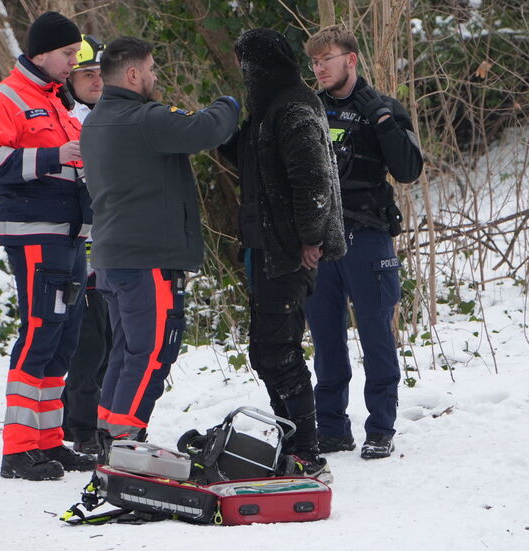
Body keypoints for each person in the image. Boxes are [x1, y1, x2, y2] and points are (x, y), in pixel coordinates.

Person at [80, 37, 239, 450]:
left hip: (113, 260)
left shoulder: (95, 121)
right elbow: (208, 128)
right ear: (132, 74)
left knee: (126, 352)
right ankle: (124, 440)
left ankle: (108, 433)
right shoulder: (144, 119)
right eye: (151, 69)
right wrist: (231, 100)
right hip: (146, 261)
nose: (154, 77)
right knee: (151, 354)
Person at [219, 28, 346, 483]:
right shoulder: (267, 110)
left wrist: (310, 239)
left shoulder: (292, 105)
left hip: (289, 251)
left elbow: (311, 182)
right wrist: (218, 126)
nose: (244, 74)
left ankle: (307, 450)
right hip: (263, 248)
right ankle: (292, 439)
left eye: (247, 66)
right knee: (265, 350)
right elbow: (251, 160)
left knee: (279, 350)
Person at [0, 11, 95, 481]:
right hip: (33, 233)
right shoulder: (4, 98)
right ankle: (18, 449)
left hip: (69, 235)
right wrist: (53, 155)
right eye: (68, 54)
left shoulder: (57, 103)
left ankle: (48, 441)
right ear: (42, 52)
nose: (73, 63)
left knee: (63, 339)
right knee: (40, 332)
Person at [302, 25, 423, 459]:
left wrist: (384, 122)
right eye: (314, 62)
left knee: (376, 334)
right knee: (326, 339)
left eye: (326, 60)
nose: (318, 69)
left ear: (350, 60)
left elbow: (409, 170)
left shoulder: (384, 109)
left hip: (367, 236)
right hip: (318, 241)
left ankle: (381, 427)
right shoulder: (308, 110)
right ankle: (332, 428)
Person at [61, 34, 111, 455]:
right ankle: (80, 427)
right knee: (87, 346)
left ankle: (96, 421)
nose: (96, 81)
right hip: (80, 250)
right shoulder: (69, 120)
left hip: (115, 249)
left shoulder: (112, 114)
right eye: (86, 75)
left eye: (100, 73)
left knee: (112, 342)